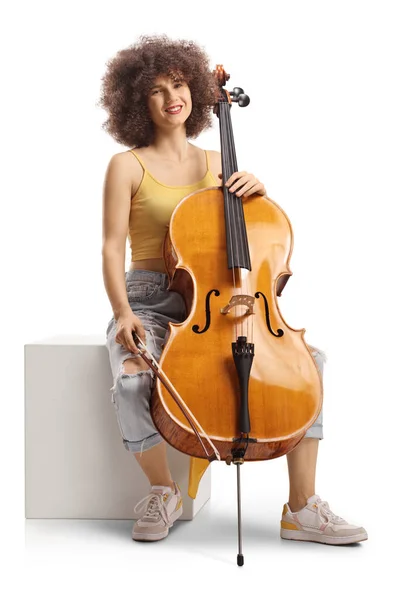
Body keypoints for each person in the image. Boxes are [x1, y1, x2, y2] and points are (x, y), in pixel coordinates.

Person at [98, 34, 367, 545]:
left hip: (219, 299)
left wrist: (257, 192)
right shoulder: (125, 166)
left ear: (197, 90)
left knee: (311, 361)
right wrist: (123, 313)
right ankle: (163, 490)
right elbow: (112, 249)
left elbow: (250, 243)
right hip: (149, 300)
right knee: (132, 379)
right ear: (137, 101)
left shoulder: (218, 163)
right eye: (156, 90)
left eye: (179, 84)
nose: (171, 96)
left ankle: (302, 506)